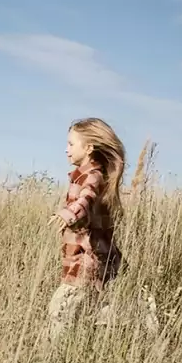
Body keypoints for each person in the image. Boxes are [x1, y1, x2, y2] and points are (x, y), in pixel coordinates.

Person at [45, 117, 129, 344]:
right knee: (95, 310)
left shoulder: (93, 175)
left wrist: (68, 213)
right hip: (86, 259)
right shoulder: (84, 174)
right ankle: (114, 335)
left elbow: (86, 198)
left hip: (85, 261)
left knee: (59, 310)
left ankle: (53, 357)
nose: (66, 149)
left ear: (89, 148)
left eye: (71, 144)